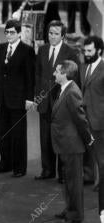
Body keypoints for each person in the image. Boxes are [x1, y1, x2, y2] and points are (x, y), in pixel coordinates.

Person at [34, 20, 80, 183]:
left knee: (60, 136)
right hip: (44, 101)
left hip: (61, 102)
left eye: (55, 34)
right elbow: (37, 75)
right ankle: (47, 170)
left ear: (62, 35)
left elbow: (75, 78)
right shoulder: (42, 50)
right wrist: (36, 97)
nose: (52, 36)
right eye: (50, 33)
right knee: (45, 136)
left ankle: (63, 173)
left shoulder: (70, 53)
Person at [0, 19, 35, 177]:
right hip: (2, 98)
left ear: (19, 33)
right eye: (7, 32)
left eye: (12, 32)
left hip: (18, 99)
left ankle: (19, 168)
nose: (9, 35)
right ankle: (5, 163)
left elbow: (30, 76)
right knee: (3, 132)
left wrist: (29, 98)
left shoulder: (27, 50)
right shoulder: (1, 48)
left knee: (18, 134)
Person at [52, 60, 93, 223]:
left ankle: (76, 215)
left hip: (72, 145)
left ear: (64, 74)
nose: (54, 73)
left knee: (74, 182)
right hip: (65, 144)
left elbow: (81, 119)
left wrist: (88, 139)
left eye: (57, 71)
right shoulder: (64, 89)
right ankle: (70, 209)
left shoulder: (71, 92)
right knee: (68, 180)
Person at [80, 36, 104, 216]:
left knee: (102, 163)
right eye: (84, 51)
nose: (86, 54)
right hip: (85, 122)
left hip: (100, 124)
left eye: (89, 51)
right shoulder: (84, 66)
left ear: (99, 51)